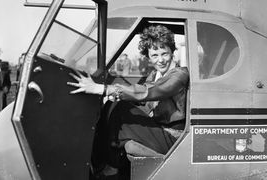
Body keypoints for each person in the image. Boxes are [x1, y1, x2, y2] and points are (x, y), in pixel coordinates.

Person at [67, 25, 189, 179]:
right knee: (113, 105)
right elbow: (144, 97)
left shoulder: (179, 75)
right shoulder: (154, 75)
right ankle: (100, 164)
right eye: (155, 55)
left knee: (121, 108)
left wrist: (104, 89)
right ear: (149, 57)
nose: (161, 60)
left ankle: (110, 166)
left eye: (164, 53)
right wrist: (115, 96)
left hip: (173, 138)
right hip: (159, 130)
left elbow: (149, 91)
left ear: (172, 52)